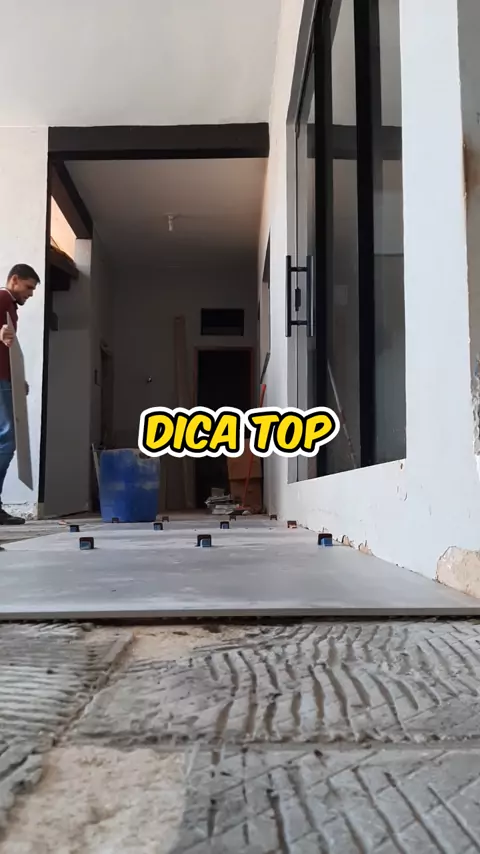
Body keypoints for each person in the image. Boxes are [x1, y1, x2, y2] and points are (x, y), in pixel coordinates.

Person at [0, 264, 40, 524]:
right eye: (28, 287)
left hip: (6, 379)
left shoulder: (10, 305)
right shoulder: (3, 298)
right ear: (14, 280)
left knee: (5, 440)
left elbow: (9, 348)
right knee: (7, 440)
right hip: (0, 380)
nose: (31, 294)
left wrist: (18, 377)